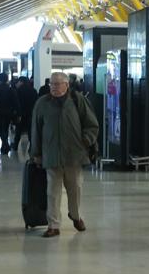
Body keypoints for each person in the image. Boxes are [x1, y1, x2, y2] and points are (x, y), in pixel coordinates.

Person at [30, 72, 100, 238]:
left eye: (57, 84)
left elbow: (92, 124)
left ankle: (75, 216)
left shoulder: (77, 100)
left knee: (75, 188)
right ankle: (53, 225)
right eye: (51, 84)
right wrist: (36, 153)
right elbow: (36, 130)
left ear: (66, 85)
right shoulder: (42, 103)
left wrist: (85, 141)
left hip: (74, 155)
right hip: (52, 155)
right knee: (52, 192)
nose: (54, 87)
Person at [14, 77, 39, 154]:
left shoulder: (18, 90)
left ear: (21, 82)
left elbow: (17, 103)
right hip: (31, 113)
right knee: (31, 131)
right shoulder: (33, 90)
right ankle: (32, 147)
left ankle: (15, 145)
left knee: (18, 130)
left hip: (21, 113)